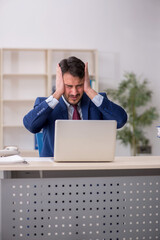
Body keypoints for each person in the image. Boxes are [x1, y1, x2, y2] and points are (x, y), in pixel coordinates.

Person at [23, 56, 127, 157]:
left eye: (79, 85)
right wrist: (58, 92)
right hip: (55, 169)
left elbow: (120, 120)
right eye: (69, 86)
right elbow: (30, 125)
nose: (74, 92)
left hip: (91, 165)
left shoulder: (97, 102)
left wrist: (89, 90)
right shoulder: (46, 104)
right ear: (61, 83)